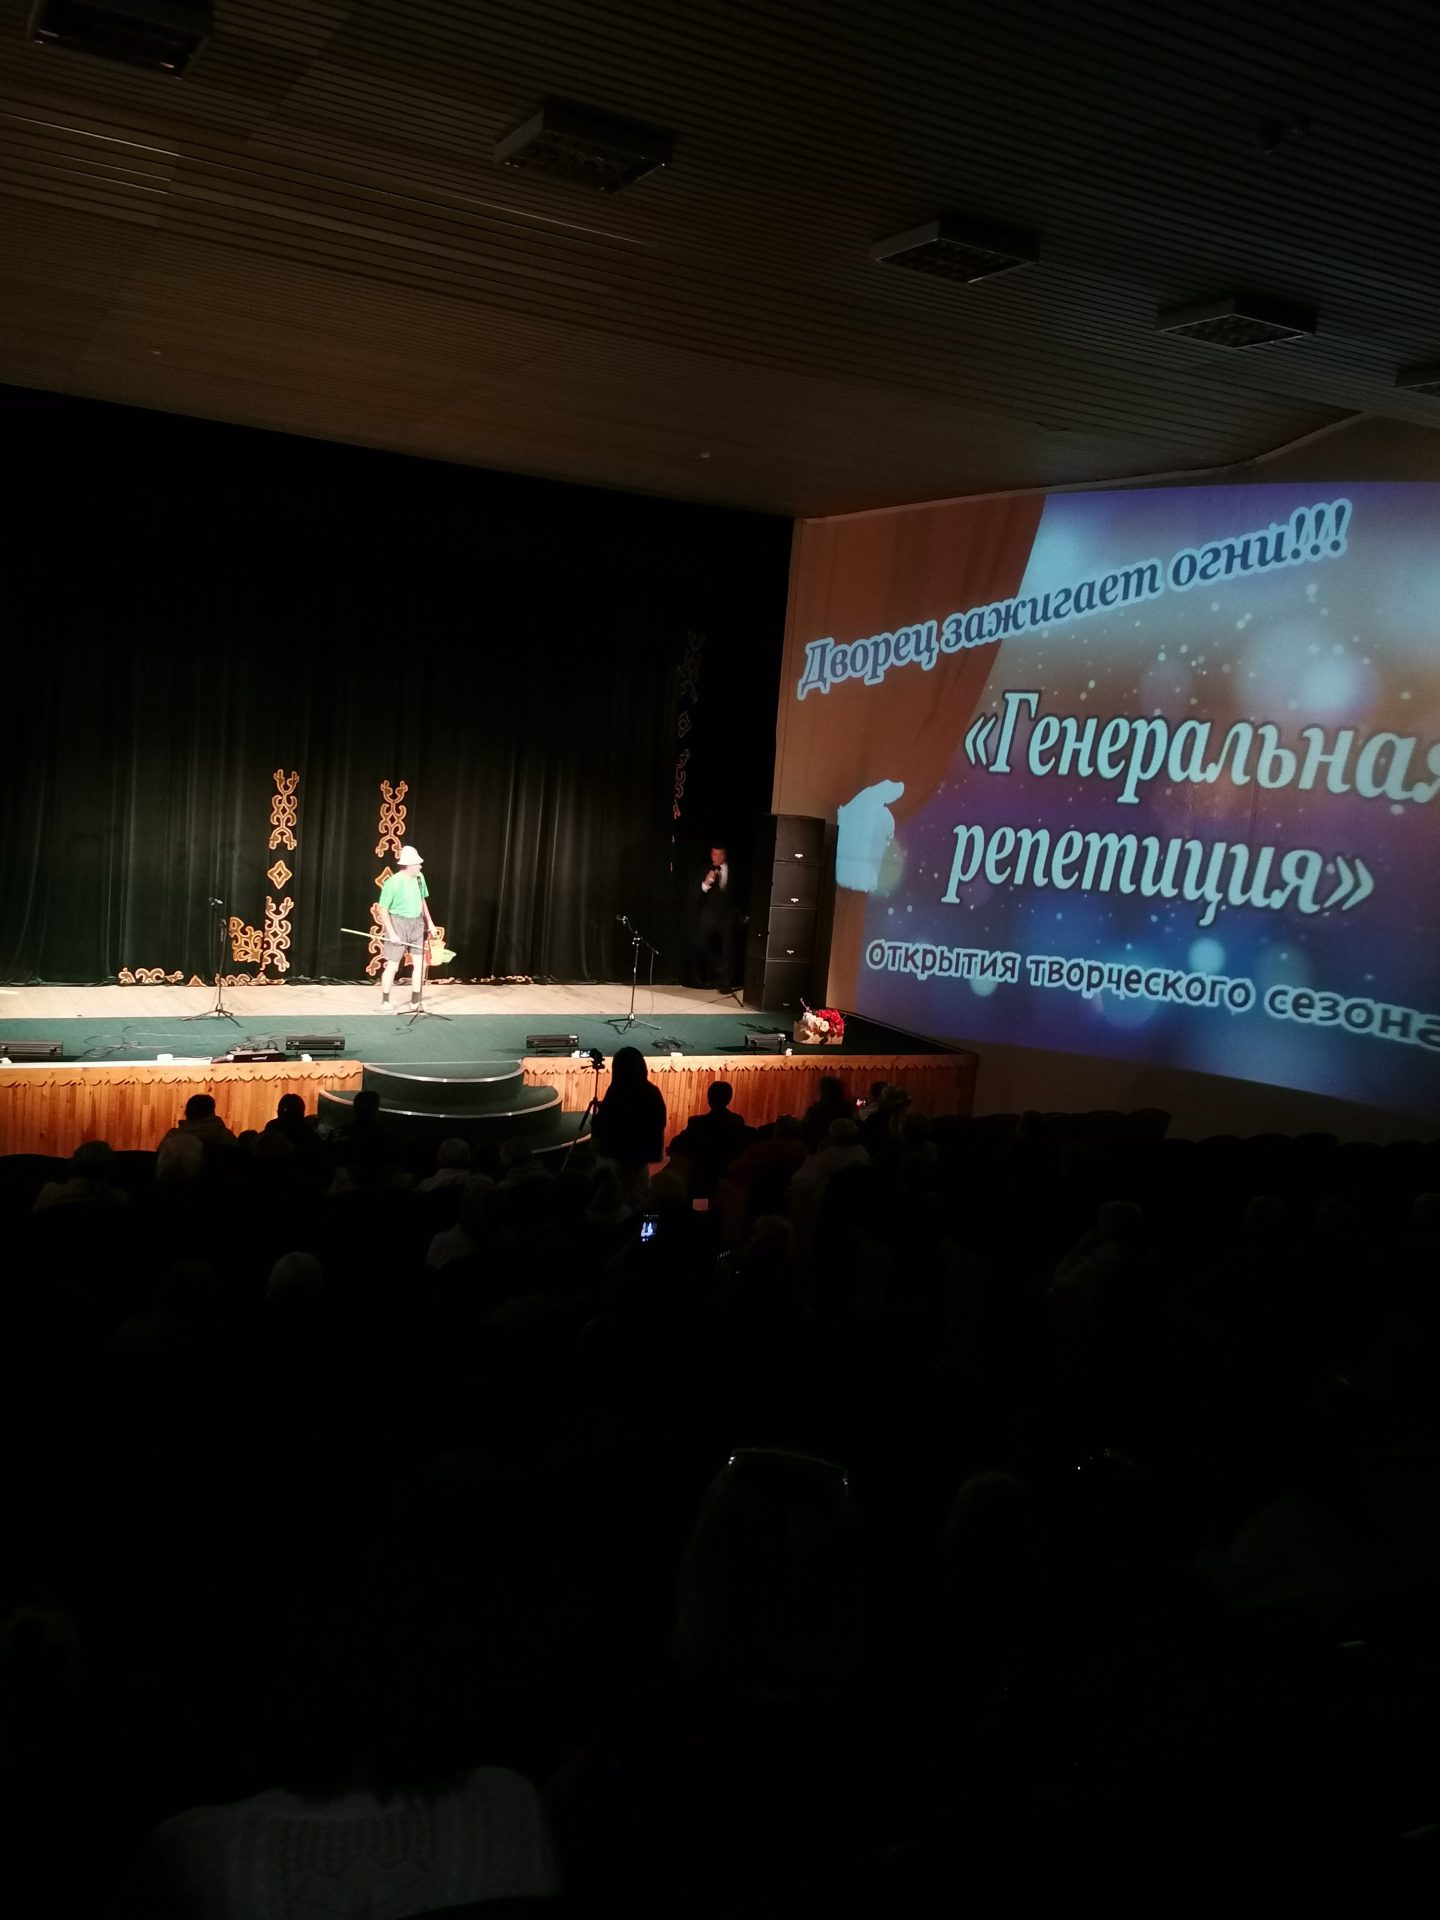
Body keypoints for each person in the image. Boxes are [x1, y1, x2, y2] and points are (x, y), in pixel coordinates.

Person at [591, 1045, 667, 1207]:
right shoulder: (651, 1091)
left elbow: (603, 1124)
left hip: (615, 1158)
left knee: (610, 1202)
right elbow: (659, 1123)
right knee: (638, 1203)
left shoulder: (616, 1091)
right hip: (640, 1159)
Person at [376, 845, 436, 1012]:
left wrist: (430, 923)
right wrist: (392, 933)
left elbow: (422, 901)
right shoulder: (393, 882)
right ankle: (385, 1001)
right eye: (417, 864)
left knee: (420, 964)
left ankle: (415, 1001)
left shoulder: (419, 878)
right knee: (393, 965)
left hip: (417, 923)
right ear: (408, 865)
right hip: (398, 924)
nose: (420, 866)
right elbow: (383, 909)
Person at [668, 1080, 750, 1199]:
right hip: (727, 1176)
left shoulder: (697, 1122)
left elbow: (677, 1143)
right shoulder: (737, 1121)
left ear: (709, 1099)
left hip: (701, 1177)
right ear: (729, 1099)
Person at [695, 842, 742, 993]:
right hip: (710, 915)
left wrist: (743, 914)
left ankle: (726, 984)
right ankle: (718, 966)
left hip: (728, 916)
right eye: (713, 854)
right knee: (701, 941)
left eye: (719, 854)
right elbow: (698, 894)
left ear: (724, 855)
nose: (715, 857)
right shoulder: (706, 869)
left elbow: (740, 892)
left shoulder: (734, 870)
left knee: (728, 949)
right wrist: (707, 882)